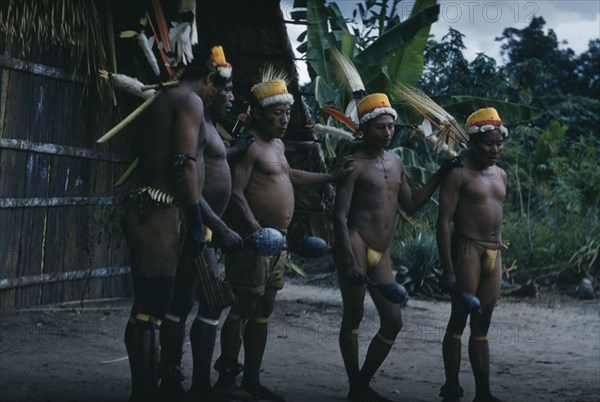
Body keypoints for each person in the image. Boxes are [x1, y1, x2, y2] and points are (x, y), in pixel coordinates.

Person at [212, 73, 353, 402]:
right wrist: (255, 231)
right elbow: (236, 193)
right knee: (243, 308)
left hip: (279, 243)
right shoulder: (249, 144)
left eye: (287, 113)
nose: (284, 119)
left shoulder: (276, 145)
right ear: (259, 114)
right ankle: (225, 380)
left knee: (264, 310)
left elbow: (291, 176)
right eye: (277, 114)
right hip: (255, 244)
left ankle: (251, 379)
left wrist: (331, 175)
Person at [333, 93, 461, 402]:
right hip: (356, 243)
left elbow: (412, 204)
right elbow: (338, 216)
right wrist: (349, 260)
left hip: (381, 251)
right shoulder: (354, 165)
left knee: (393, 321)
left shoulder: (396, 161)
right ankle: (356, 387)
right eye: (380, 127)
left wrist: (440, 174)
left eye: (391, 127)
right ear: (364, 130)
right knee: (353, 316)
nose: (388, 132)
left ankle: (360, 385)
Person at [120, 45, 223, 402]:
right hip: (159, 211)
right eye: (217, 88)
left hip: (148, 208)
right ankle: (145, 394)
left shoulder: (168, 97)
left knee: (147, 309)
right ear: (209, 78)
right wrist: (196, 223)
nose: (216, 97)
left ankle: (142, 392)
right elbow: (184, 163)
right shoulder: (189, 100)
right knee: (151, 311)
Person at [158, 46, 252, 402]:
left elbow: (208, 160)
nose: (230, 97)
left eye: (231, 91)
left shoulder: (209, 126)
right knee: (191, 303)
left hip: (203, 226)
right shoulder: (196, 118)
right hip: (194, 224)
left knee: (195, 303)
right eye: (224, 90)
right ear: (209, 86)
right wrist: (219, 227)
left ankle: (186, 381)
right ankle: (180, 381)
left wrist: (232, 152)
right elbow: (191, 181)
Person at [436, 107, 508, 402]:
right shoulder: (458, 174)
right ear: (472, 144)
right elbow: (442, 222)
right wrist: (448, 267)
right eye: (488, 144)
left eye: (499, 143)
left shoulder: (501, 174)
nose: (495, 150)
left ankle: (483, 393)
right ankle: (451, 386)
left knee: (482, 325)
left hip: (494, 254)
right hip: (467, 250)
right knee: (458, 321)